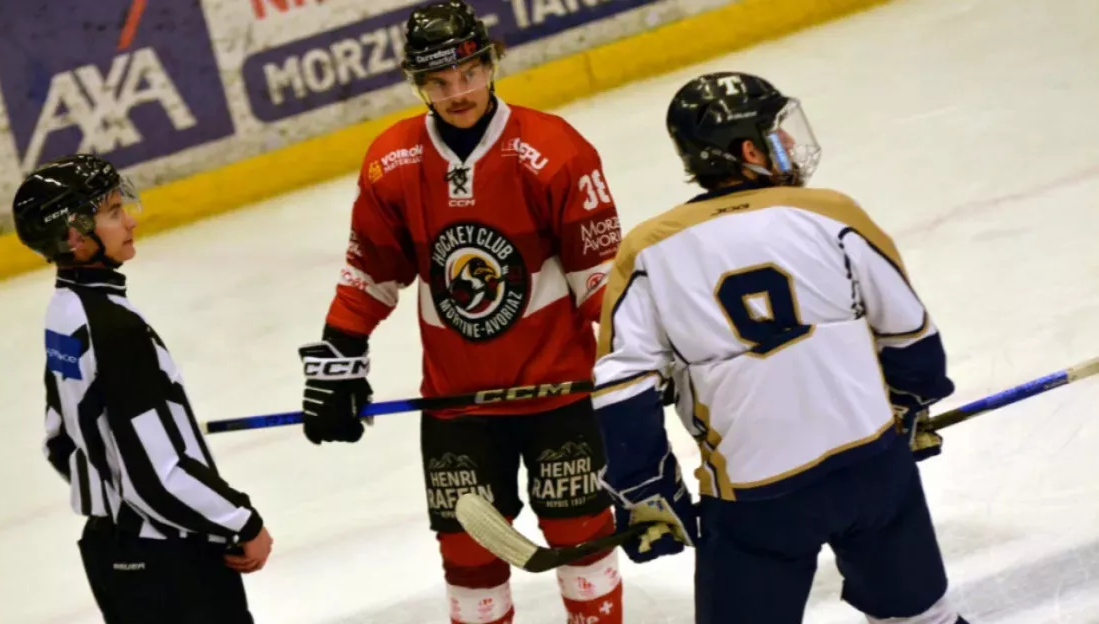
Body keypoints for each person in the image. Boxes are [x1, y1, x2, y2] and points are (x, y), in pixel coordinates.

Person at [590, 72, 970, 624]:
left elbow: (622, 384)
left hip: (756, 496)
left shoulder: (650, 251)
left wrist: (644, 486)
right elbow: (911, 334)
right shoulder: (831, 213)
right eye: (775, 133)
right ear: (747, 150)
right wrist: (912, 403)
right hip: (871, 468)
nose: (789, 143)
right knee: (923, 619)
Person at [295, 1, 626, 622]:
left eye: (469, 73)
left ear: (491, 62)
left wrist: (637, 362)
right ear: (416, 84)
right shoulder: (392, 164)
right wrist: (338, 356)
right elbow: (370, 274)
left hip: (558, 392)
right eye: (439, 83)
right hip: (458, 405)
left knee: (582, 541)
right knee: (468, 558)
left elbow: (599, 282)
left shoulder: (555, 151)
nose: (458, 92)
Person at [13, 154, 272, 623]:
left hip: (111, 554)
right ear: (74, 235)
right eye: (113, 212)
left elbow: (61, 441)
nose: (129, 219)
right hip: (170, 569)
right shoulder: (115, 328)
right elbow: (155, 476)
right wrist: (242, 520)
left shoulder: (65, 312)